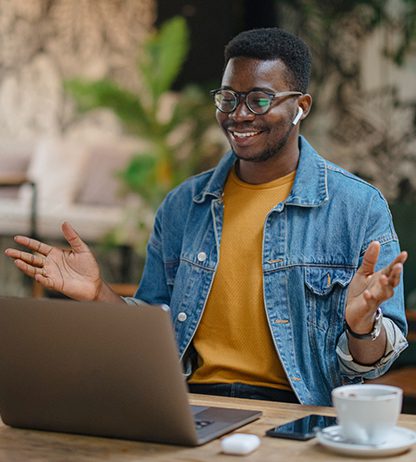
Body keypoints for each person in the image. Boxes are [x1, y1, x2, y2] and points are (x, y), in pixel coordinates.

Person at [5, 28, 408, 406]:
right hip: (194, 403)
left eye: (260, 100)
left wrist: (361, 326)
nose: (239, 114)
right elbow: (154, 336)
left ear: (301, 107)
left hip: (299, 411)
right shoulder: (183, 206)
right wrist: (99, 293)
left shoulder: (357, 206)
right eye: (229, 98)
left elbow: (375, 361)